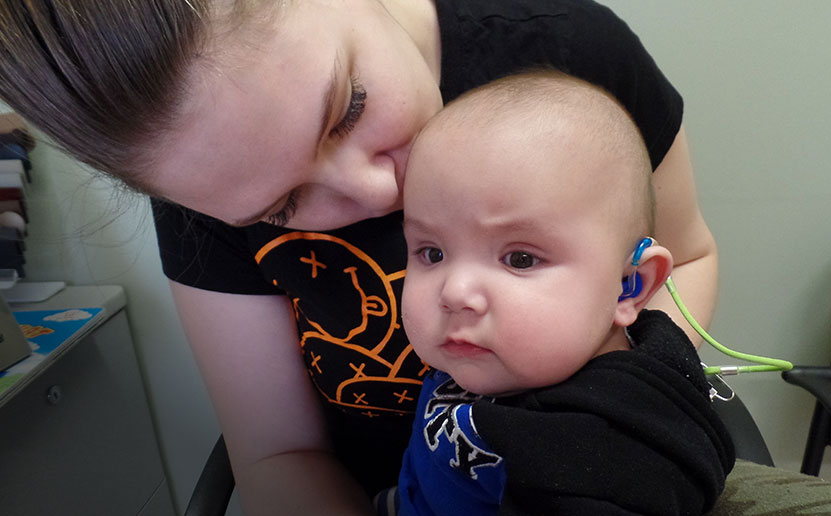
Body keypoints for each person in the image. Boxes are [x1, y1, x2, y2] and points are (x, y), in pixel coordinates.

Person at [0, 1, 719, 513]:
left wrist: (618, 425)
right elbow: (278, 454)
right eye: (280, 210)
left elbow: (684, 258)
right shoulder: (199, 194)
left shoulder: (574, 54)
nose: (382, 192)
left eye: (347, 106)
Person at [379, 70, 733, 516]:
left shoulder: (604, 461)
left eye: (520, 259)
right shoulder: (498, 359)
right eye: (431, 252)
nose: (455, 291)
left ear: (631, 285)